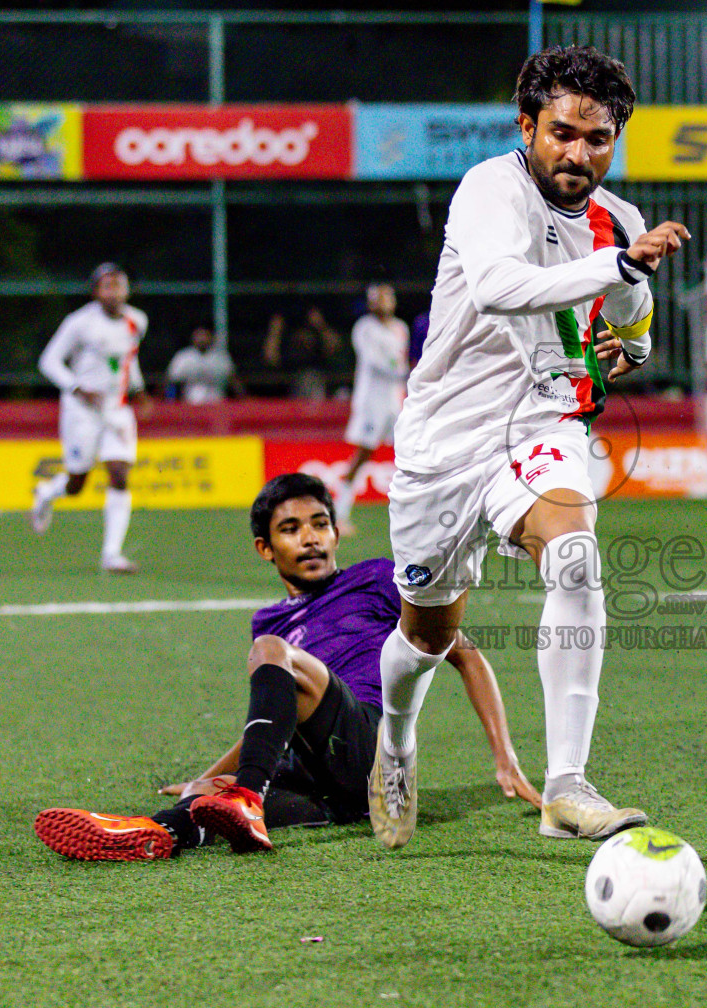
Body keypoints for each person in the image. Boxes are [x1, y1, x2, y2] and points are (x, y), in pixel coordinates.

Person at [367, 44, 691, 850]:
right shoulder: (490, 189)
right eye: (562, 133)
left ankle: (565, 787)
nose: (578, 153)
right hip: (445, 439)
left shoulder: (621, 219)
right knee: (425, 638)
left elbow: (632, 304)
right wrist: (614, 267)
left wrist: (636, 346)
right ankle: (396, 744)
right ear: (527, 126)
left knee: (576, 558)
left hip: (543, 425)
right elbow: (499, 287)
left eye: (598, 138)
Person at [33, 473, 540, 861]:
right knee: (208, 804)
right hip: (332, 792)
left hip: (371, 749)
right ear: (265, 548)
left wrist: (505, 757)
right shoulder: (269, 620)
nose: (311, 539)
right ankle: (156, 833)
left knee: (270, 666)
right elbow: (278, 717)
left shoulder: (376, 579)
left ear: (337, 532)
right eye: (291, 529)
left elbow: (466, 655)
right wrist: (204, 778)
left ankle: (247, 795)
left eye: (320, 524)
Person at [29, 263, 151, 574]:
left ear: (126, 290)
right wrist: (77, 387)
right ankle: (46, 492)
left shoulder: (137, 321)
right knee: (77, 483)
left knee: (120, 473)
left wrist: (138, 390)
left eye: (118, 285)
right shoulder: (79, 323)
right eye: (106, 286)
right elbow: (49, 361)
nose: (113, 291)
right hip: (81, 410)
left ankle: (111, 554)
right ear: (96, 291)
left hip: (116, 409)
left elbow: (127, 360)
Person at [333, 283, 410, 534]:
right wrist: (404, 372)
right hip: (371, 402)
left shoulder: (401, 328)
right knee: (363, 454)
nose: (383, 301)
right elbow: (375, 362)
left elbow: (401, 358)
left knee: (409, 453)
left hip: (394, 401)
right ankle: (338, 513)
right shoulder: (365, 327)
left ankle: (412, 513)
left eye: (387, 296)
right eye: (377, 298)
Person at [264, 306, 341, 401]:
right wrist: (275, 332)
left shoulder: (317, 348)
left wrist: (321, 326)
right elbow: (271, 357)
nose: (303, 339)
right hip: (289, 387)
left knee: (311, 378)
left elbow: (335, 346)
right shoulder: (287, 346)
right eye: (300, 338)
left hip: (317, 383)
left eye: (306, 338)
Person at [165, 324, 241, 405]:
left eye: (205, 335)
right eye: (199, 335)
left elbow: (233, 379)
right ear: (193, 337)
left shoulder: (221, 357)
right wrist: (169, 401)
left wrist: (240, 398)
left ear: (211, 337)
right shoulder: (184, 356)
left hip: (217, 402)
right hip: (190, 402)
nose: (202, 339)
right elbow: (171, 380)